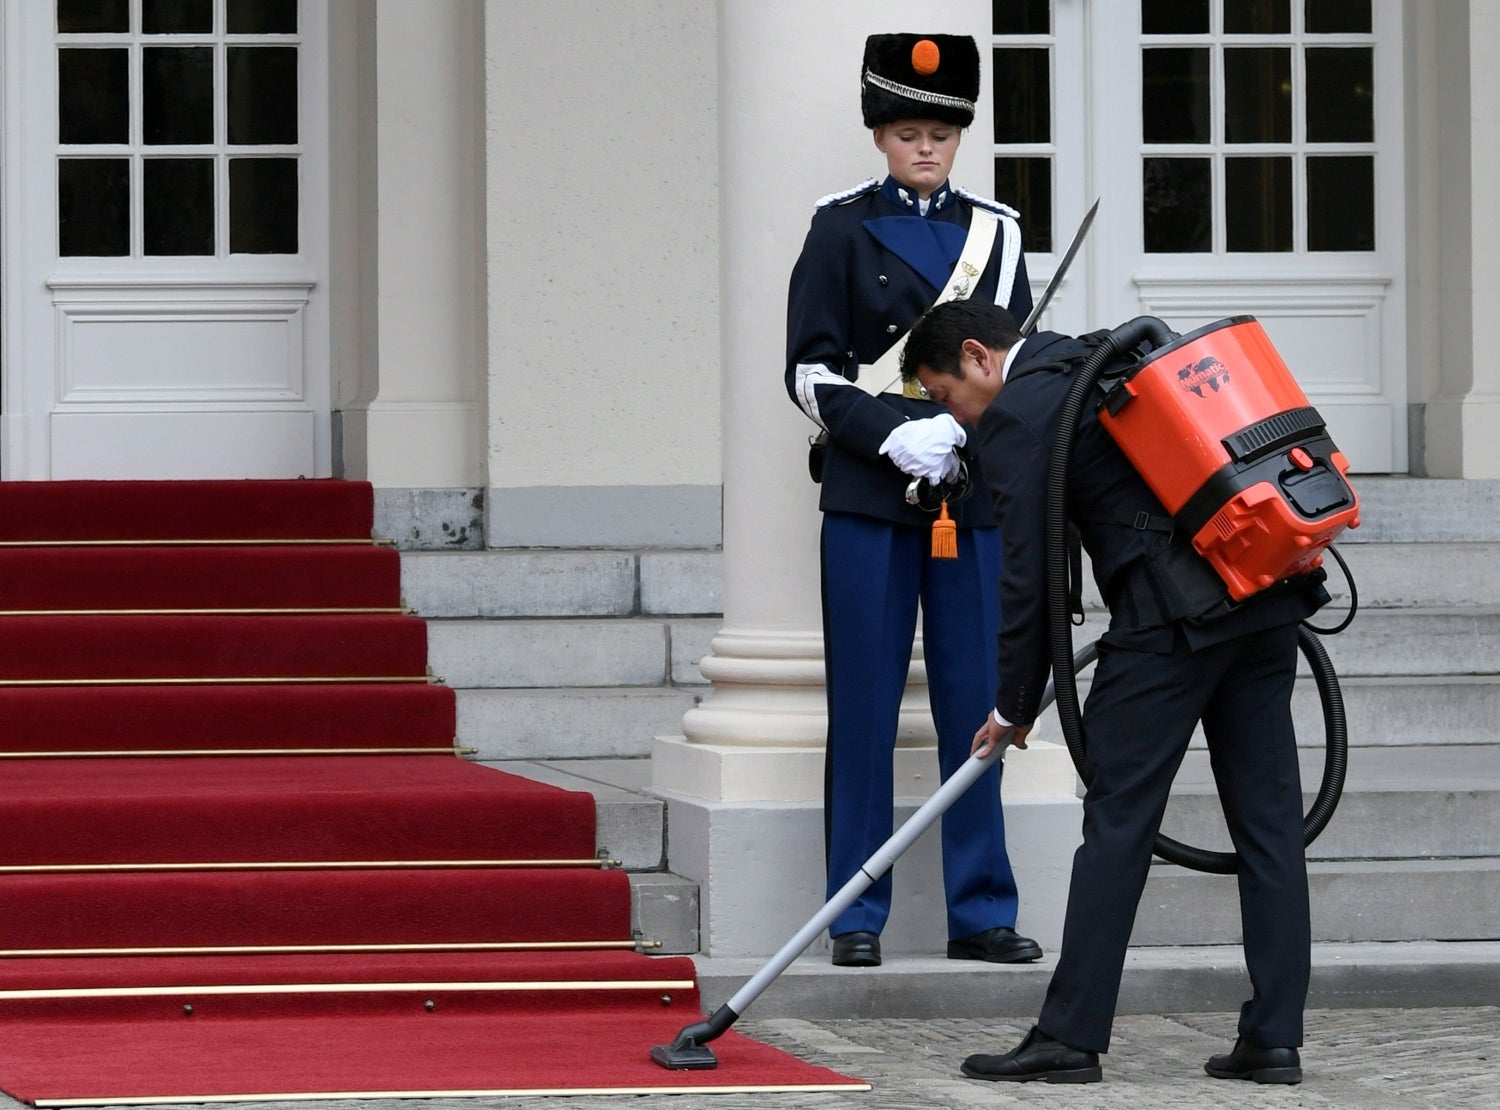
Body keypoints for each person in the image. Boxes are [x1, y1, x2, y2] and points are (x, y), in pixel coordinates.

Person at [900, 298, 1328, 1084]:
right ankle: (1273, 1038)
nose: (949, 414)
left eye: (941, 395)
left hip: (1168, 627)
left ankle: (1069, 1037)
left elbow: (1026, 581)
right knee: (1269, 828)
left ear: (977, 357)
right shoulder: (1091, 357)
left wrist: (1011, 706)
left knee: (1118, 826)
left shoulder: (1024, 414)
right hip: (1265, 600)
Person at [784, 32, 1040, 969]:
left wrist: (961, 434)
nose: (923, 148)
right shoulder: (838, 226)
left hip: (967, 496)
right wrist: (891, 431)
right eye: (905, 132)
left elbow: (1009, 369)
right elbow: (807, 369)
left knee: (980, 699)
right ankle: (855, 910)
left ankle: (979, 906)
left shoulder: (998, 233)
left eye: (938, 132)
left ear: (959, 138)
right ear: (879, 137)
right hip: (867, 489)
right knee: (863, 704)